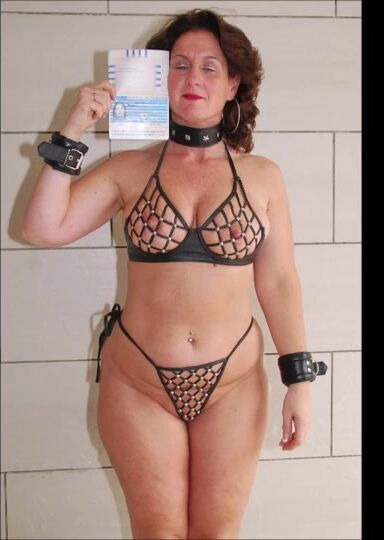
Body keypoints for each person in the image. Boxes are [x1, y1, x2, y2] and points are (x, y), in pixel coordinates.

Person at [22, 9, 326, 539]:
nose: (193, 78)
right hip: (138, 382)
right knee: (157, 532)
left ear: (233, 85)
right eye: (179, 65)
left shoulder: (263, 177)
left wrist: (298, 380)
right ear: (160, 78)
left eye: (210, 67)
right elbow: (42, 228)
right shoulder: (129, 170)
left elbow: (279, 281)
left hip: (233, 384)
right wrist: (72, 132)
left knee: (215, 535)